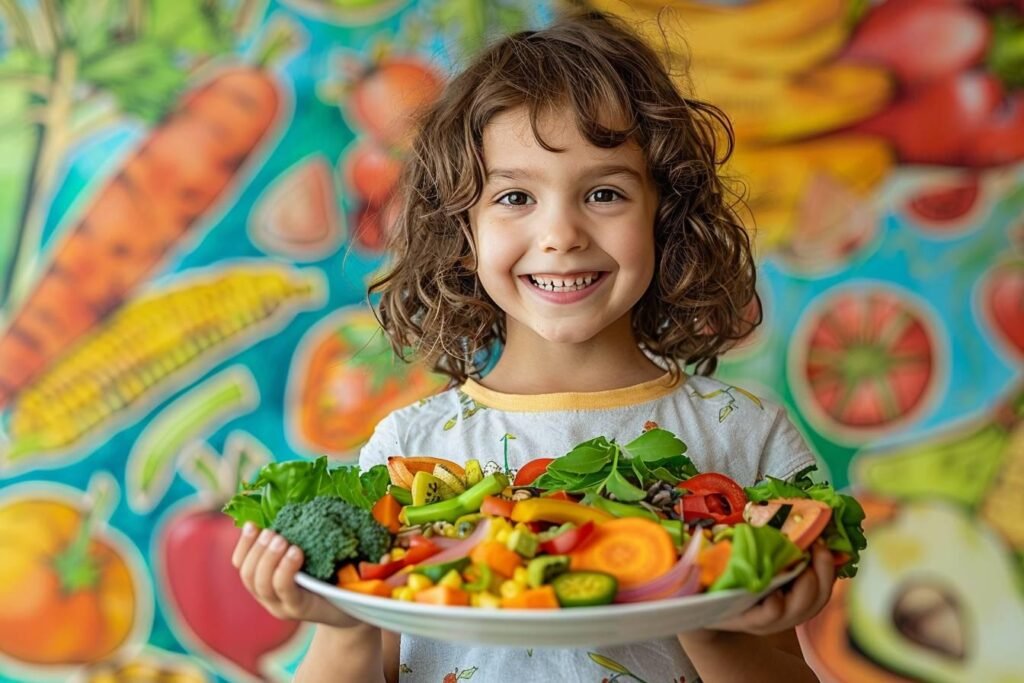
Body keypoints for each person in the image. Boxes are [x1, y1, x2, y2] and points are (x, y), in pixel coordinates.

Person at [232, 10, 835, 682]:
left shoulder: (749, 441)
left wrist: (700, 605)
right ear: (464, 229)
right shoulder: (409, 452)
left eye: (603, 192)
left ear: (664, 214)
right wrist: (342, 626)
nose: (560, 234)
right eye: (516, 195)